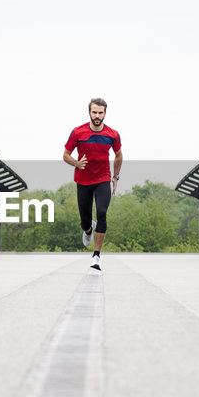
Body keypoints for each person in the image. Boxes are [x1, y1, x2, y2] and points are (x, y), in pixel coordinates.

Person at [63, 97, 122, 271]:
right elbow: (65, 154)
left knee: (102, 212)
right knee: (85, 220)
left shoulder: (112, 134)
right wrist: (76, 163)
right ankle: (88, 229)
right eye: (94, 112)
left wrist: (115, 176)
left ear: (105, 113)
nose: (97, 116)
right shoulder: (78, 132)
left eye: (100, 113)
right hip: (83, 180)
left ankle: (96, 256)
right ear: (89, 112)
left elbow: (119, 155)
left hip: (103, 178)